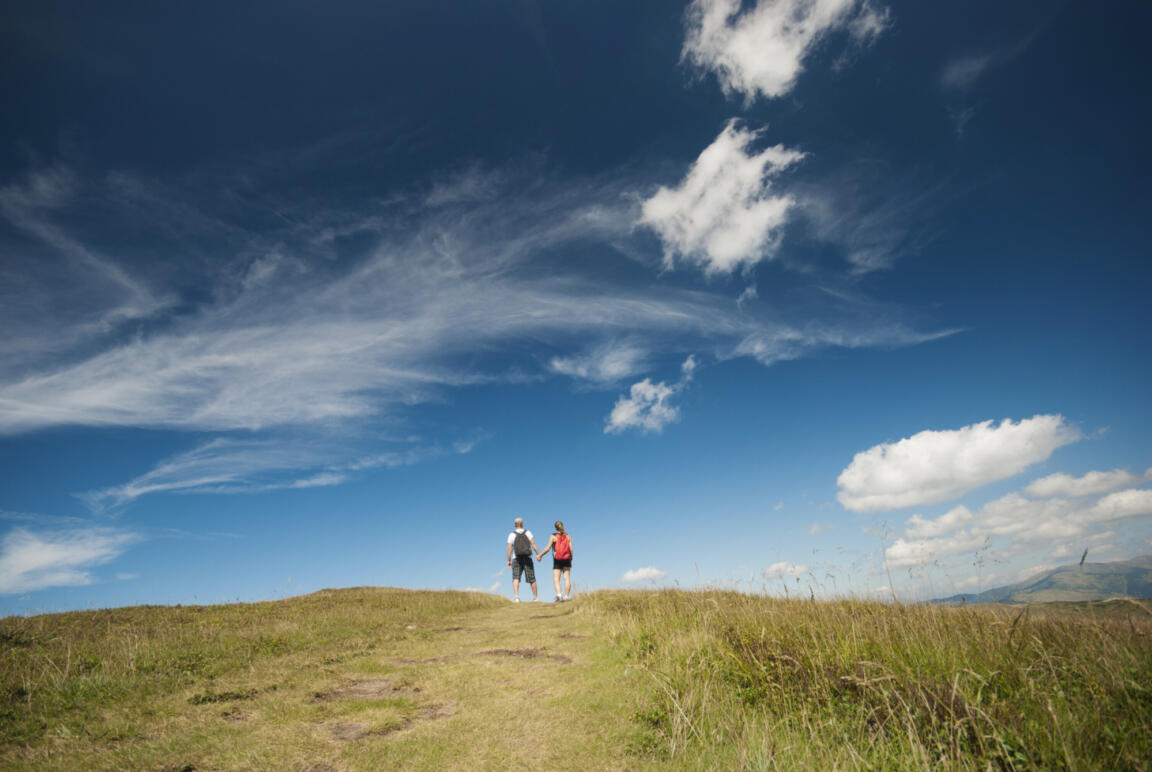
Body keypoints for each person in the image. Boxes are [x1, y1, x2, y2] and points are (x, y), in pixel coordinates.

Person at [505, 517, 541, 602]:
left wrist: (508, 560)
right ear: (522, 524)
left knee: (516, 577)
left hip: (516, 558)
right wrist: (538, 554)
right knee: (532, 578)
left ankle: (517, 597)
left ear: (515, 525)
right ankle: (535, 598)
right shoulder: (528, 532)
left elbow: (509, 548)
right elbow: (533, 544)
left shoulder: (511, 535)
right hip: (527, 557)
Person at [537, 520, 573, 602]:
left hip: (557, 559)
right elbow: (571, 549)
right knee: (566, 578)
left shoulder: (553, 536)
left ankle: (559, 596)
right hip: (567, 558)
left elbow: (547, 549)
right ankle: (566, 597)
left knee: (556, 578)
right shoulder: (568, 536)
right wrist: (571, 559)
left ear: (555, 528)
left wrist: (540, 555)